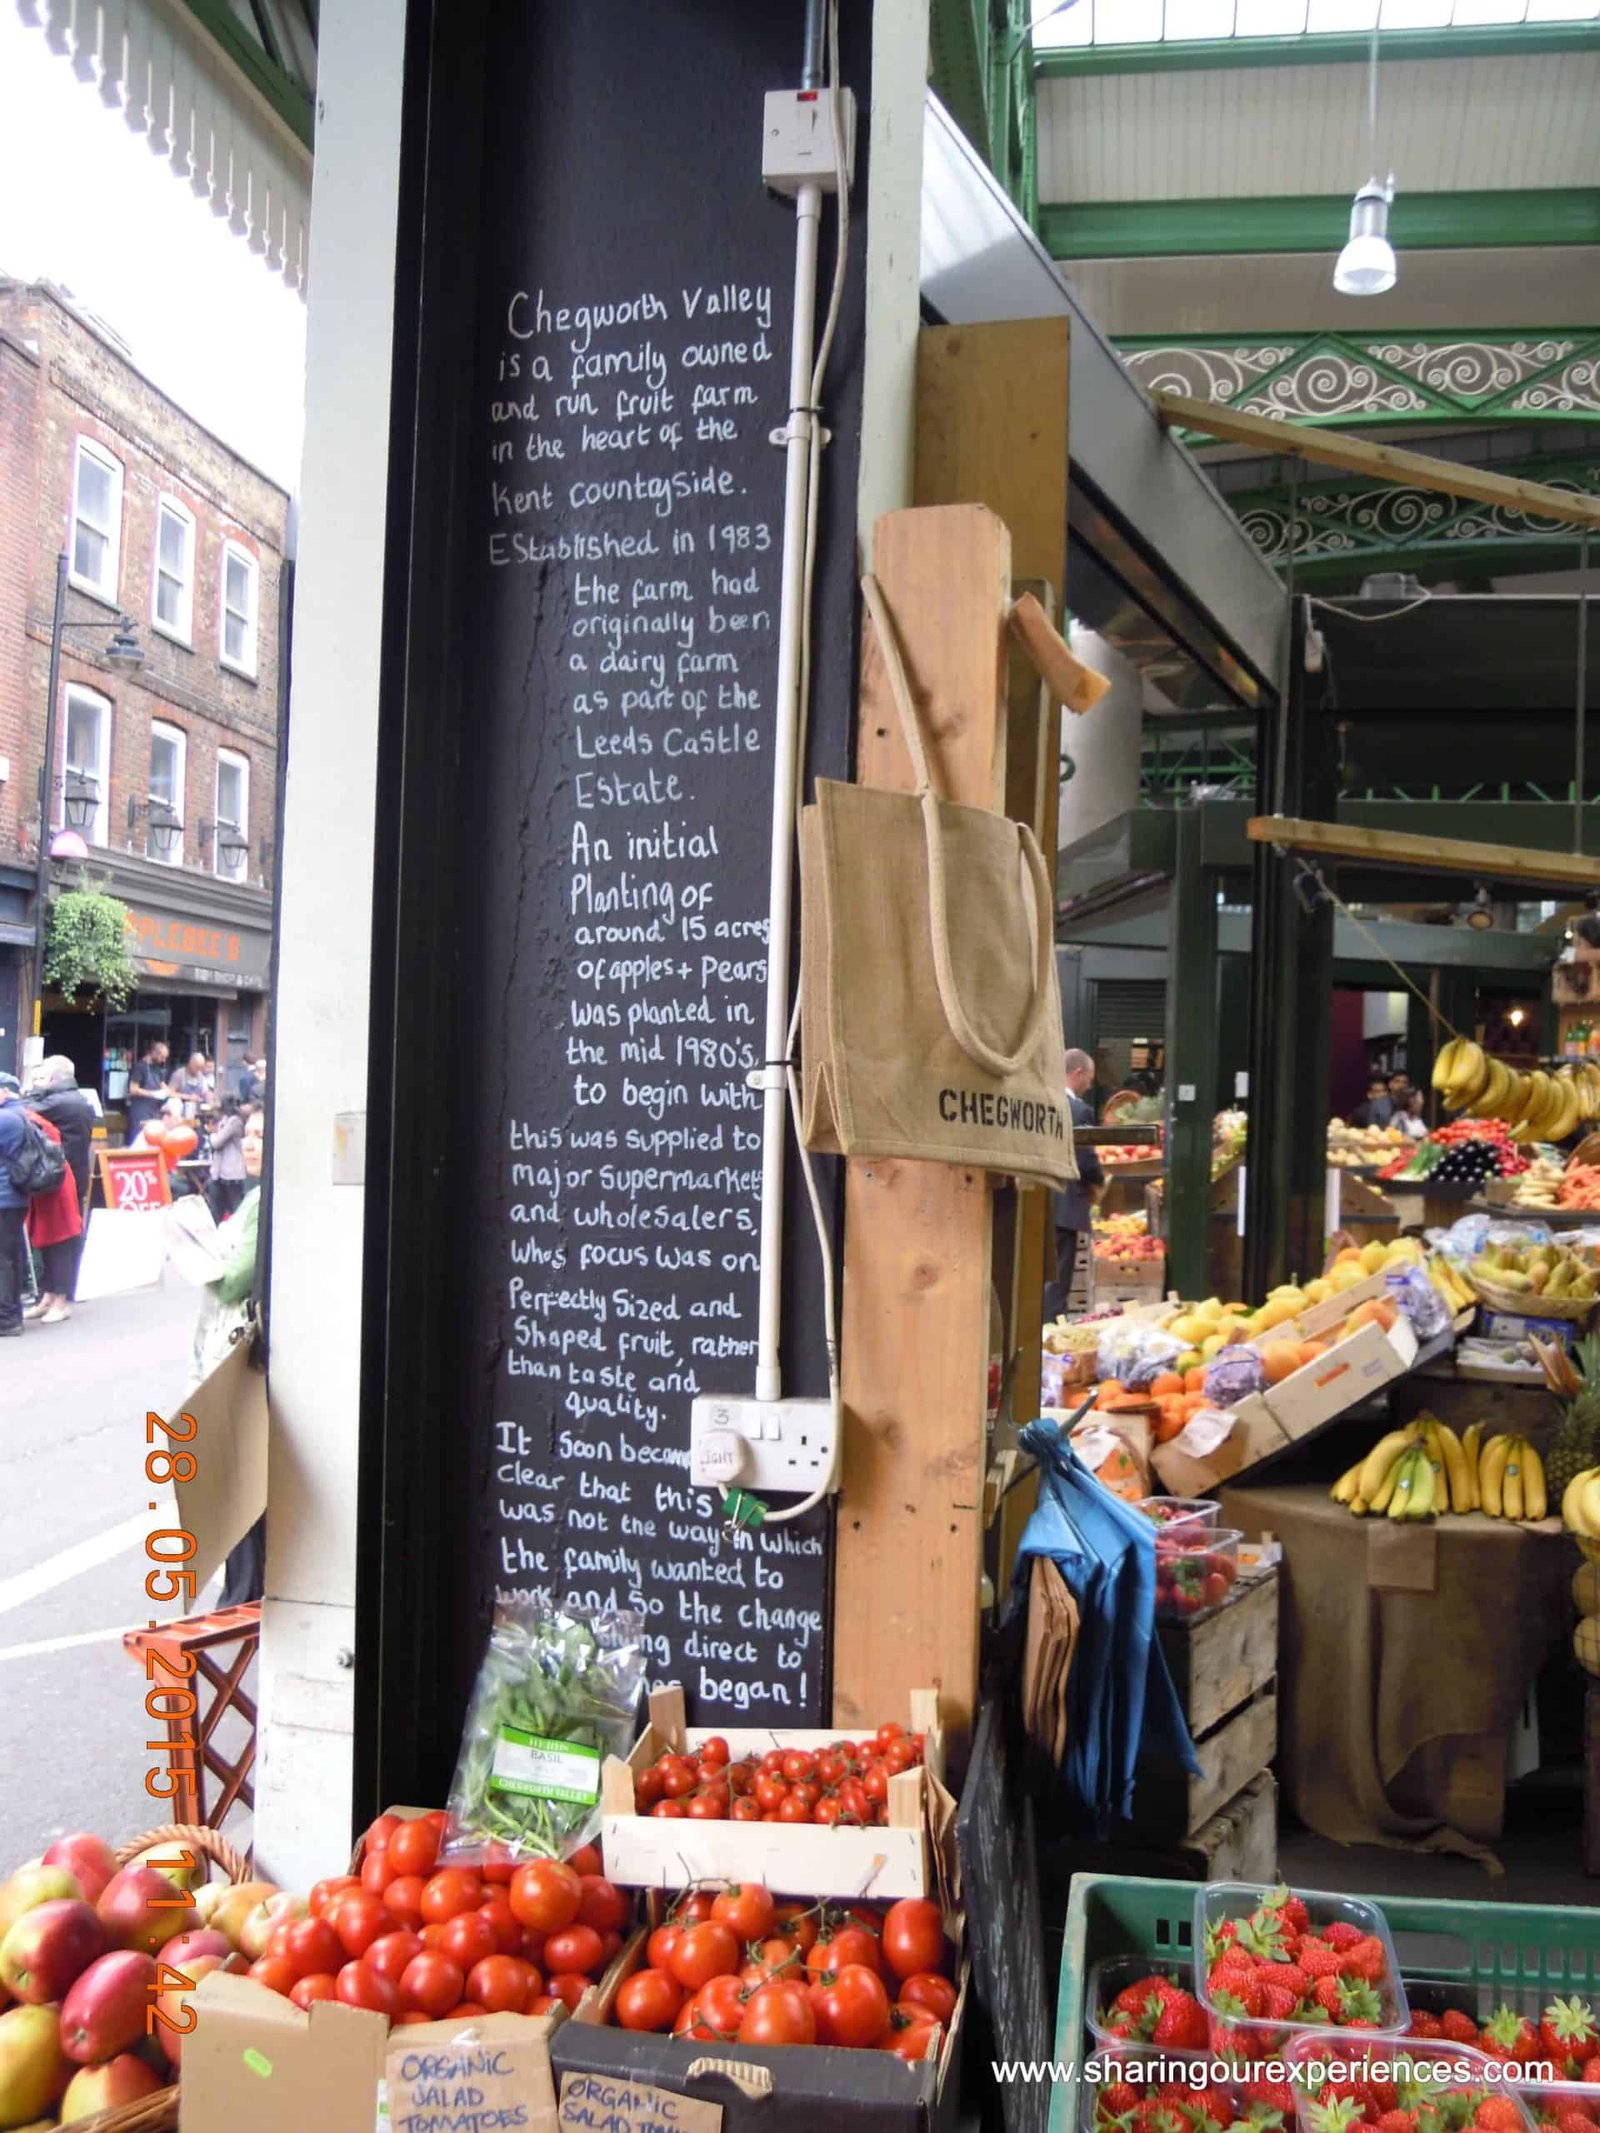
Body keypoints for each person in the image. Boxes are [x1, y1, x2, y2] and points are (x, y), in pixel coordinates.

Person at [190, 1105, 267, 1605]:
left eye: (261, 1135)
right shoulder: (255, 1197)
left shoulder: (264, 1200)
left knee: (238, 1476)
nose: (252, 1143)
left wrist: (200, 1261)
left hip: (241, 1351)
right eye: (249, 1136)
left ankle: (242, 1595)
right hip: (238, 1349)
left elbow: (235, 1279)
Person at [26, 1057, 94, 1304]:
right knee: (67, 1235)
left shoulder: (60, 1102)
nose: (38, 1082)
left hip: (60, 1177)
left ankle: (60, 1292)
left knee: (60, 1238)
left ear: (53, 1078)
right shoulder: (78, 1100)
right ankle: (59, 1291)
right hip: (73, 1172)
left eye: (42, 1077)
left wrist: (33, 1091)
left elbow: (24, 1108)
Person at [1048, 1048, 1105, 1317]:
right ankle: (1049, 1329)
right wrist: (1099, 1181)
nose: (1090, 1085)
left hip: (1037, 1202)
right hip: (1065, 1204)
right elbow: (1085, 1160)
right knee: (1058, 1277)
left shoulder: (1040, 1103)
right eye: (1089, 1078)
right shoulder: (1079, 1111)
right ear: (1078, 1072)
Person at [20, 1102, 80, 1324]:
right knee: (44, 1243)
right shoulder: (25, 1117)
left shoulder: (28, 1120)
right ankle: (48, 1297)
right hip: (42, 1186)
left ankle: (61, 1302)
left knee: (59, 1243)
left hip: (51, 1184)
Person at [0, 1076, 30, 1338]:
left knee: (4, 1260)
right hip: (13, 1197)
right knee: (10, 1257)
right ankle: (13, 1314)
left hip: (4, 1197)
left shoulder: (6, 1118)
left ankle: (7, 1318)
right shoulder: (20, 1114)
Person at [206, 1098, 249, 1224]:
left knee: (235, 1209)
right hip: (219, 1173)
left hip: (233, 1173)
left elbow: (217, 1142)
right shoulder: (224, 1121)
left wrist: (211, 1134)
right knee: (216, 1211)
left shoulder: (235, 1122)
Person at [126, 1040, 172, 1137]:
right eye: (162, 1057)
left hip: (154, 1110)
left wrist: (167, 1093)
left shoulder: (157, 1069)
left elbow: (163, 1085)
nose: (163, 1060)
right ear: (154, 1053)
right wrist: (153, 1094)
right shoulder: (140, 1067)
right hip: (140, 1110)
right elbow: (133, 1089)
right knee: (139, 1137)